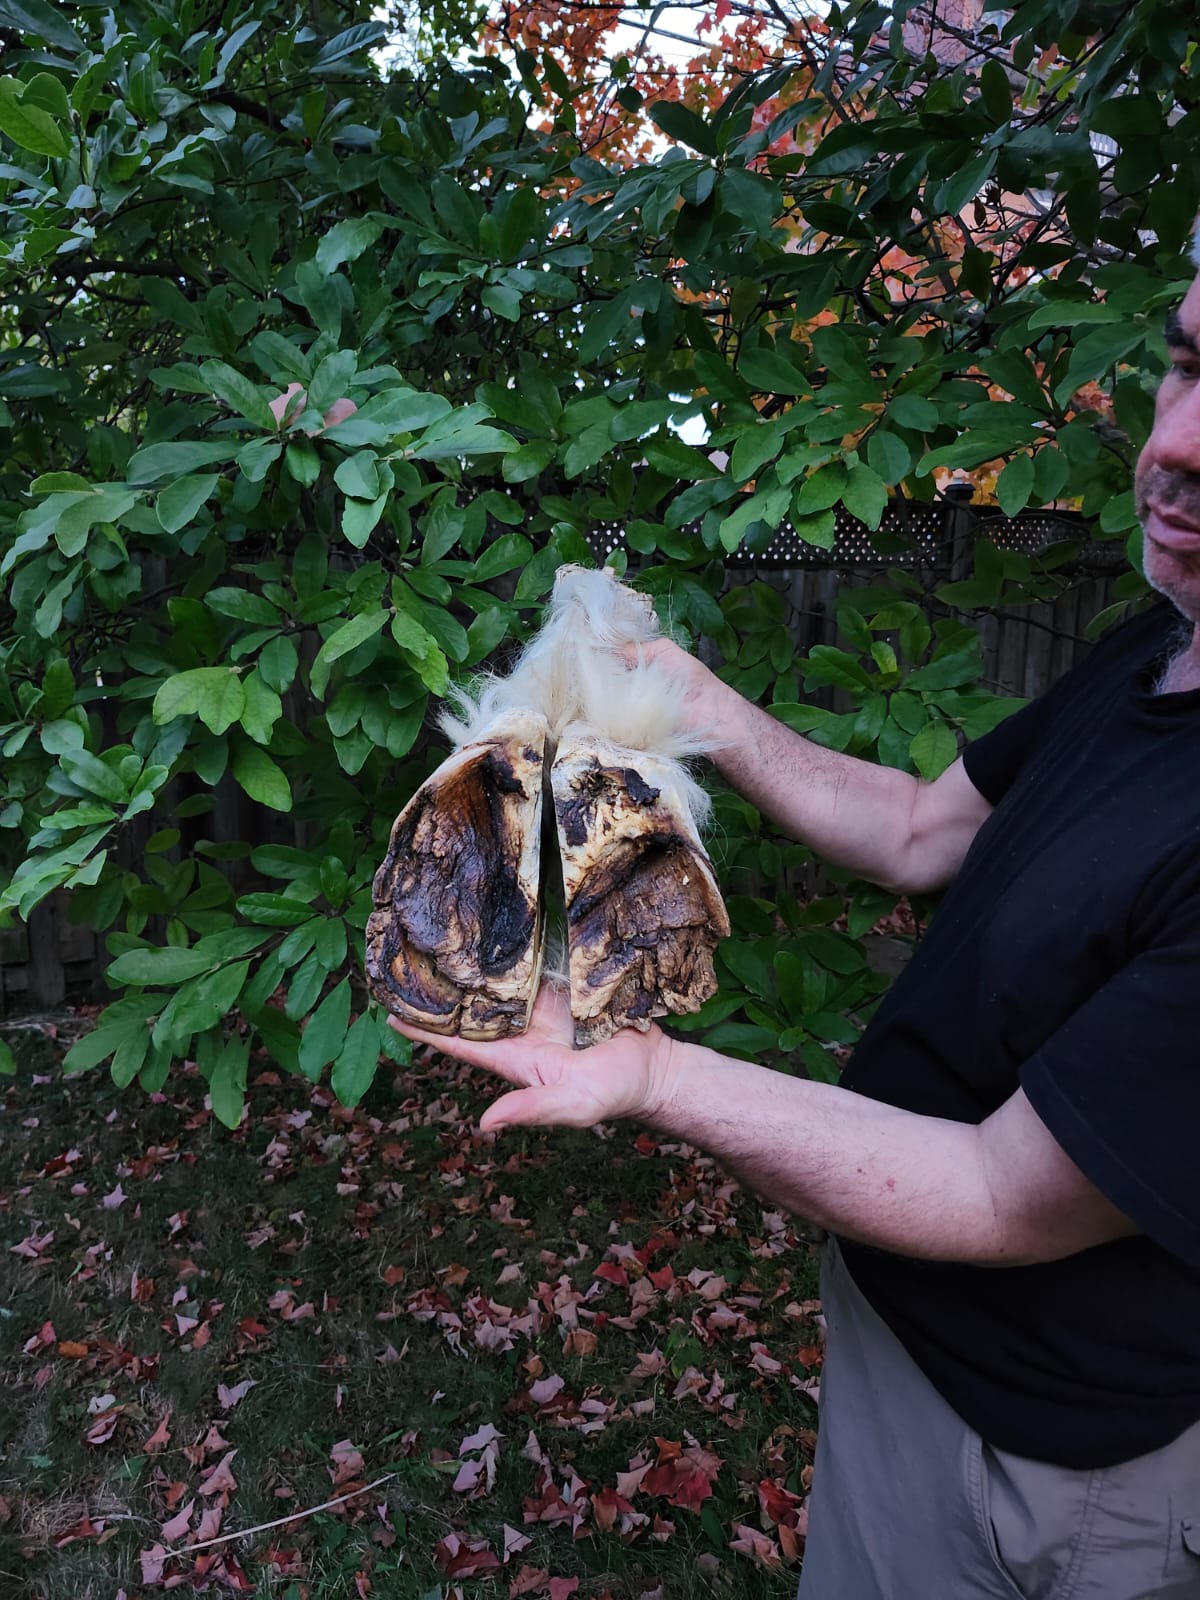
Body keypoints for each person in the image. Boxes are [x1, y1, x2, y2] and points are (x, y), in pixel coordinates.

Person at [392, 265, 1200, 1598]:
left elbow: (1003, 1195)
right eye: (1183, 365)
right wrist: (687, 694)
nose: (1171, 445)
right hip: (919, 1349)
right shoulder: (1154, 649)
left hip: (1043, 1464)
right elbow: (918, 828)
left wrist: (656, 1076)